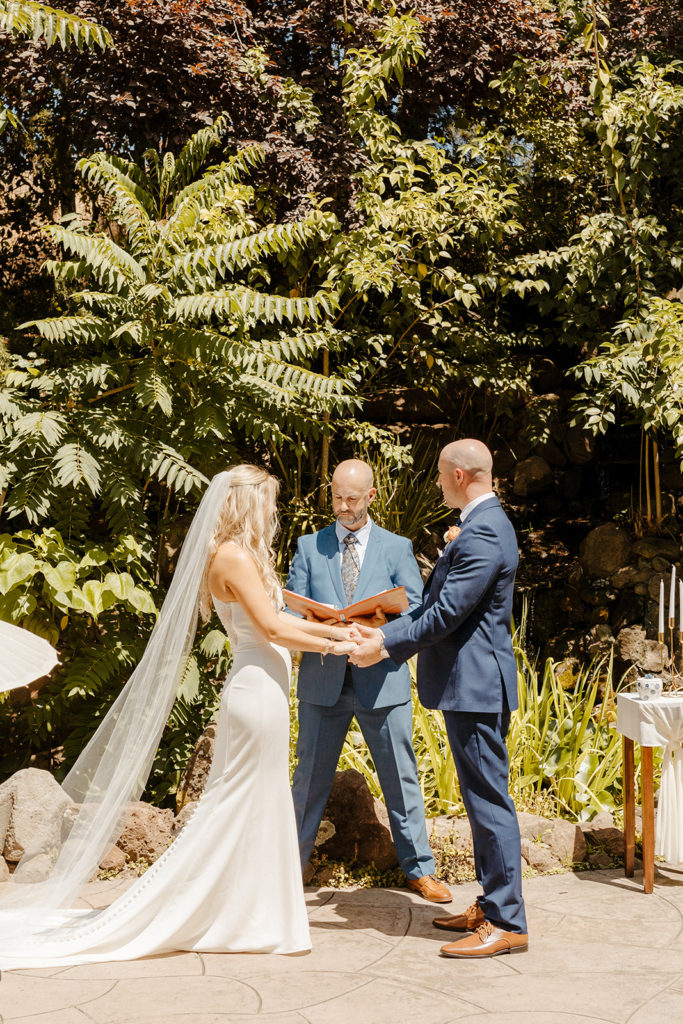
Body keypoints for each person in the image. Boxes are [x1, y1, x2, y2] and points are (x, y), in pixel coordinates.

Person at [0, 465, 357, 969]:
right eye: (269, 503)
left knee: (255, 801)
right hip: (255, 693)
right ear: (249, 505)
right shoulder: (232, 557)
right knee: (239, 801)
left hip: (264, 689)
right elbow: (274, 629)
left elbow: (281, 619)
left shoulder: (243, 556)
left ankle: (247, 910)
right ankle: (224, 911)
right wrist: (340, 641)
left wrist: (330, 626)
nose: (274, 513)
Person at [350, 440, 528, 958]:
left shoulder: (486, 531)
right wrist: (381, 631)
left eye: (438, 476)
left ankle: (507, 921)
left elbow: (446, 613)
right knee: (479, 801)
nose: (435, 483)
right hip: (468, 685)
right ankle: (493, 904)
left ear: (457, 474)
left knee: (489, 803)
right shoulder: (478, 526)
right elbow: (433, 605)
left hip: (475, 688)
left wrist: (382, 644)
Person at [287, 459, 451, 903]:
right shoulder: (308, 546)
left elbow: (418, 612)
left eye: (352, 499)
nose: (343, 506)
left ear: (372, 496)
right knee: (308, 780)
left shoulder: (397, 547)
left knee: (401, 777)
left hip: (382, 680)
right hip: (323, 681)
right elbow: (289, 613)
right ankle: (290, 869)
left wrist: (380, 628)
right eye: (337, 497)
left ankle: (420, 870)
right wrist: (323, 628)